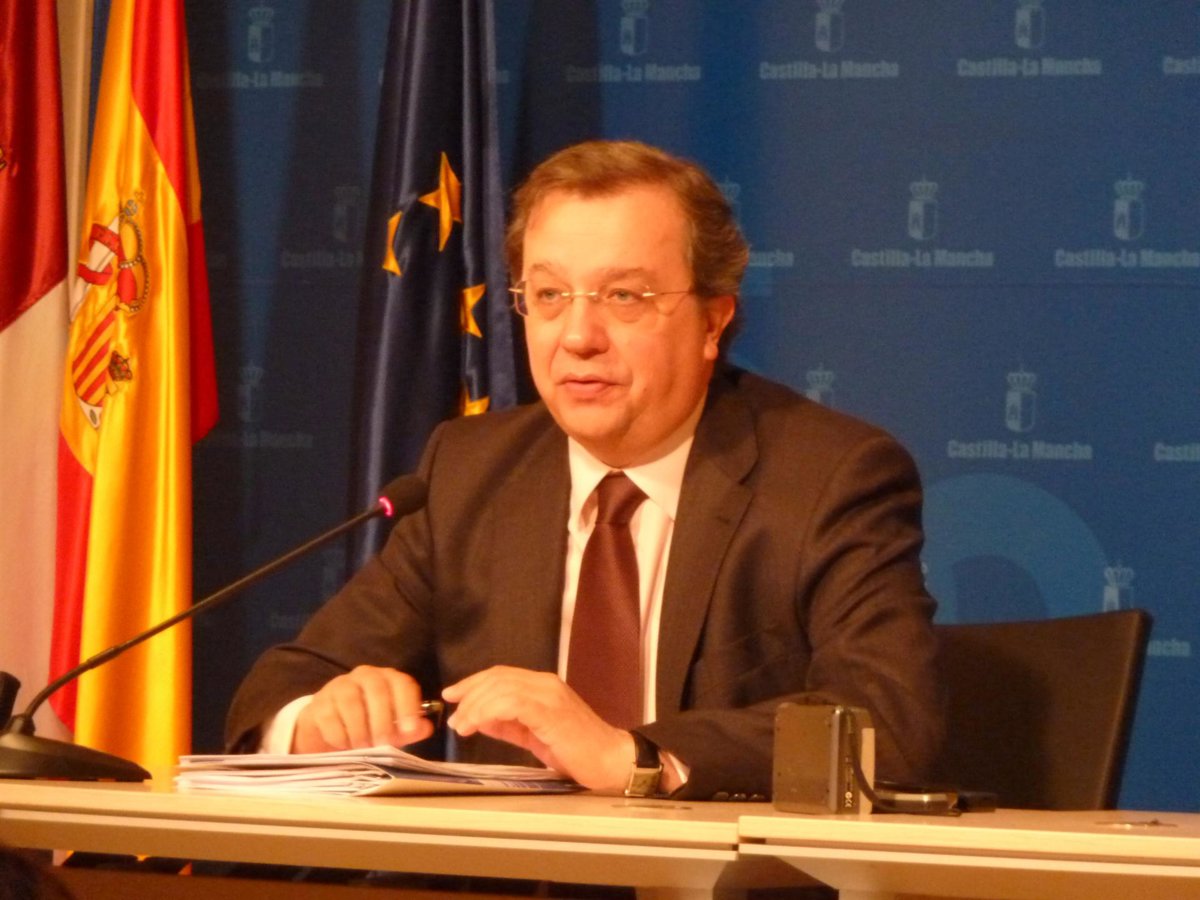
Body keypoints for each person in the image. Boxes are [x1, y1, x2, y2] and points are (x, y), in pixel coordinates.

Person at [227, 139, 943, 800]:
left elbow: (888, 721)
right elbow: (281, 691)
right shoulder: (472, 473)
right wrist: (321, 720)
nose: (577, 337)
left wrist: (633, 757)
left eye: (624, 296)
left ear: (712, 321)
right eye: (548, 296)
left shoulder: (829, 477)